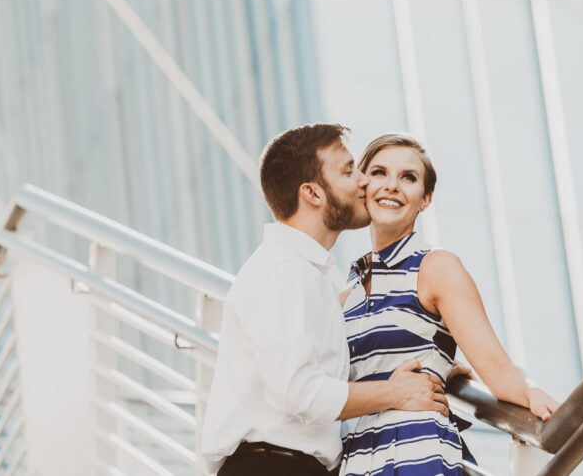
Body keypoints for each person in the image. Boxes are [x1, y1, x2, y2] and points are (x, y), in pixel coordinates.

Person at [201, 123, 452, 476]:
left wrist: (434, 364)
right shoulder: (286, 270)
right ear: (313, 194)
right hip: (273, 467)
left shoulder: (302, 272)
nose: (364, 181)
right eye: (350, 171)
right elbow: (299, 392)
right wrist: (393, 393)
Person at [339, 133, 559, 475]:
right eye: (380, 172)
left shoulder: (437, 267)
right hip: (358, 461)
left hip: (418, 454)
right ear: (362, 184)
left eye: (408, 178)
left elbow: (497, 368)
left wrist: (532, 393)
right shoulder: (347, 292)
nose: (392, 186)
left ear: (425, 199)